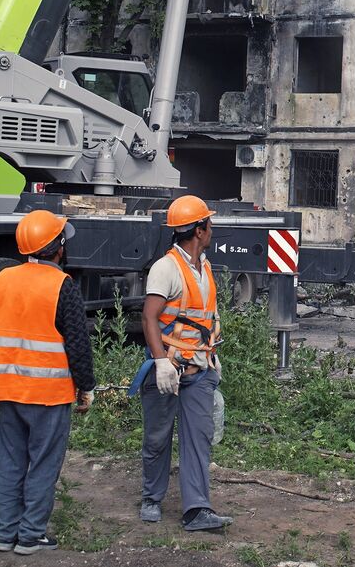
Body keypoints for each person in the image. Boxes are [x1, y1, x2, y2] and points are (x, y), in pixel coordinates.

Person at [0, 210, 96, 555]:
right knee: (43, 464)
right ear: (58, 247)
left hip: (7, 389)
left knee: (12, 462)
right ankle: (31, 535)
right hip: (48, 395)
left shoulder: (2, 279)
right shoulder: (61, 285)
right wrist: (86, 386)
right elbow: (77, 343)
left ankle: (5, 533)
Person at [136, 194, 229, 531]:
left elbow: (204, 319)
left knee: (198, 438)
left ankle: (197, 510)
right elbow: (149, 319)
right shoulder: (166, 269)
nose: (212, 228)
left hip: (199, 370)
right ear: (200, 230)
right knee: (158, 438)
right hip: (169, 369)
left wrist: (211, 355)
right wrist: (160, 363)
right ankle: (151, 497)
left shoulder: (203, 267)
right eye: (209, 223)